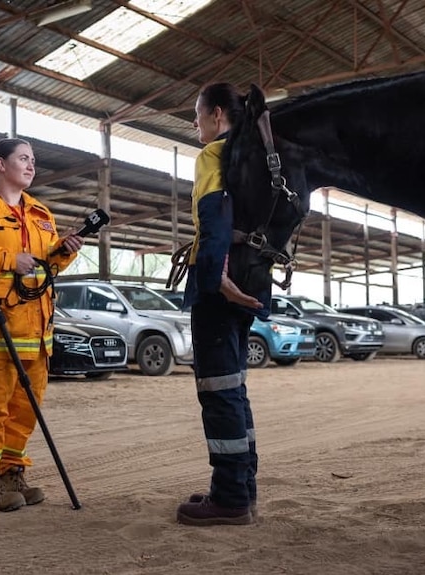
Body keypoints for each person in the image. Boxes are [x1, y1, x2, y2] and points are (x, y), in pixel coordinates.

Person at [0, 138, 84, 511]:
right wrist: (9, 259)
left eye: (33, 160)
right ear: (0, 165)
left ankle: (10, 472)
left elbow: (45, 269)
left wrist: (63, 254)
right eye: (23, 158)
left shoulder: (41, 213)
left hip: (37, 333)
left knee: (26, 409)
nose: (31, 165)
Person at [175, 83, 267, 527]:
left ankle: (229, 497)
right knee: (235, 387)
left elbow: (215, 217)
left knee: (218, 389)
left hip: (222, 285)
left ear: (215, 114)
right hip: (253, 279)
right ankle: (242, 486)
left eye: (197, 115)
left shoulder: (213, 154)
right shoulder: (248, 155)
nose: (195, 124)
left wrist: (218, 280)